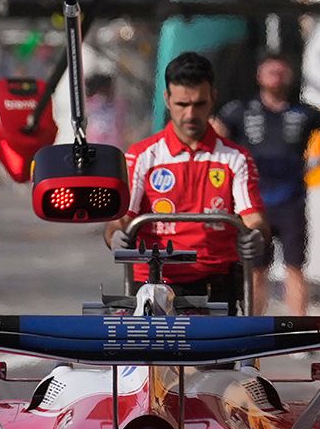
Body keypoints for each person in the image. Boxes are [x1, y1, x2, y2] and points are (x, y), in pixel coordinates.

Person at [105, 52, 269, 313]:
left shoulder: (235, 158)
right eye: (182, 104)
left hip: (216, 280)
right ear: (167, 100)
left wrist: (256, 236)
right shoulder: (142, 155)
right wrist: (115, 236)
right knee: (151, 350)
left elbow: (253, 218)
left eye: (199, 104)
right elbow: (121, 219)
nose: (190, 114)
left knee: (218, 353)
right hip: (153, 279)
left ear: (213, 98)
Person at [215, 54, 320, 314]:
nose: (276, 77)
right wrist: (230, 169)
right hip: (253, 202)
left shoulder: (302, 111)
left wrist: (319, 160)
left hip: (291, 200)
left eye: (281, 71)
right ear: (259, 76)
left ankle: (296, 332)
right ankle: (254, 330)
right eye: (270, 71)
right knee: (255, 269)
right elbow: (214, 134)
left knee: (295, 267)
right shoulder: (240, 109)